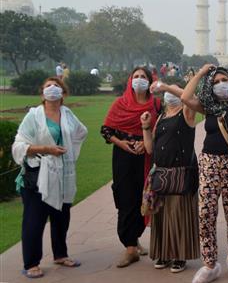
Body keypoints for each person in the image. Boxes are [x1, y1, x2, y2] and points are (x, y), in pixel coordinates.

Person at [181, 65, 228, 283]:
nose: (220, 84)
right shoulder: (210, 106)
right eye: (215, 82)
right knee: (205, 214)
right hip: (209, 164)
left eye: (224, 80)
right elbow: (185, 97)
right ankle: (210, 263)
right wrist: (202, 73)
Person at [12, 77, 88, 279]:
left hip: (63, 174)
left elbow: (82, 132)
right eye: (48, 86)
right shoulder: (34, 116)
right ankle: (31, 262)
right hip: (37, 175)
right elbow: (19, 146)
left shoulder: (67, 114)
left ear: (63, 93)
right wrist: (45, 149)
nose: (52, 89)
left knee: (61, 217)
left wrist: (69, 151)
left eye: (57, 86)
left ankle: (60, 254)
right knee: (34, 221)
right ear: (42, 93)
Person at [101, 67, 161, 267]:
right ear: (130, 80)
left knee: (142, 198)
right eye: (136, 77)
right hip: (124, 158)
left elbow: (162, 130)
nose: (139, 80)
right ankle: (129, 247)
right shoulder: (121, 104)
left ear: (150, 81)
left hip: (146, 157)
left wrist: (146, 141)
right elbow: (107, 130)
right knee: (126, 198)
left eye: (143, 77)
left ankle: (134, 239)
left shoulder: (156, 104)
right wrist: (122, 144)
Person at [140, 81, 200, 274]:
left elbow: (190, 98)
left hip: (181, 174)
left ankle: (179, 255)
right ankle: (164, 253)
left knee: (179, 215)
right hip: (161, 173)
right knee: (162, 217)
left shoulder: (187, 114)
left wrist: (166, 86)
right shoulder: (161, 117)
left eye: (172, 90)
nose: (168, 94)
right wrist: (145, 127)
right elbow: (150, 148)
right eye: (166, 91)